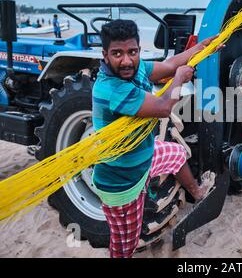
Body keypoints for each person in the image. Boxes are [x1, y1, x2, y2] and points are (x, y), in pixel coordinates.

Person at [92, 19, 220, 258]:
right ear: (105, 55)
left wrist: (202, 47)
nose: (126, 60)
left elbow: (171, 64)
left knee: (176, 153)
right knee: (124, 246)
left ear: (139, 50)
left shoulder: (136, 68)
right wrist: (180, 79)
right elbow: (163, 107)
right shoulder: (111, 88)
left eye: (132, 52)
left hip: (143, 158)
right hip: (123, 183)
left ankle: (197, 191)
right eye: (117, 53)